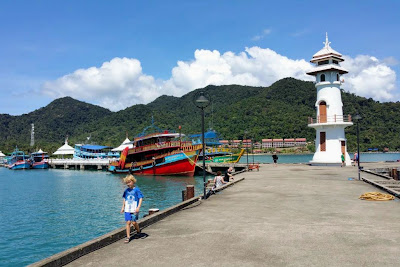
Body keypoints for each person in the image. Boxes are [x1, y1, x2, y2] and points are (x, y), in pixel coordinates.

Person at [120, 174, 143, 243]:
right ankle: (128, 236)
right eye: (127, 182)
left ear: (133, 181)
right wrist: (123, 207)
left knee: (134, 222)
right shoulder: (126, 191)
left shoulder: (136, 190)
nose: (128, 184)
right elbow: (125, 199)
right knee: (128, 222)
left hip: (134, 208)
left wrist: (138, 207)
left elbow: (140, 198)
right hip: (127, 208)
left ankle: (138, 231)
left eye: (129, 182)